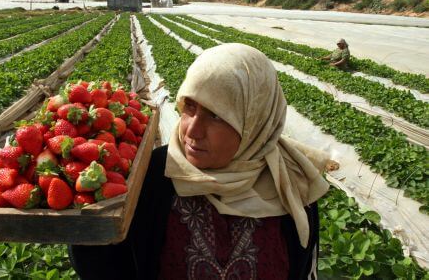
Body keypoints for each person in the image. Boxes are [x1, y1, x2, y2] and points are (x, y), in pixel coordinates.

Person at [69, 43, 331, 280]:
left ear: (255, 122)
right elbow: (109, 270)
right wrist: (85, 223)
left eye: (216, 116)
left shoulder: (292, 181)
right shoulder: (150, 176)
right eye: (190, 107)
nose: (192, 131)